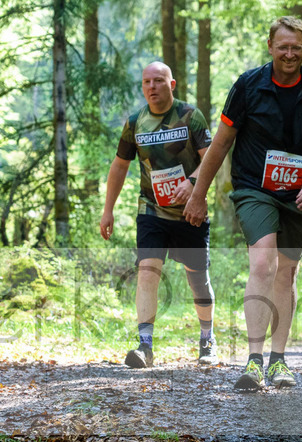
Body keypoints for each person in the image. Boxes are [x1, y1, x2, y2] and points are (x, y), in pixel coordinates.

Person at [183, 16, 302, 390]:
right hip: (255, 187)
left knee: (286, 272)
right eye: (282, 47)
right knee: (264, 261)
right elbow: (220, 143)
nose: (289, 54)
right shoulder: (248, 85)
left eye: (296, 48)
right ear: (270, 47)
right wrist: (198, 194)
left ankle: (278, 361)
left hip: (300, 193)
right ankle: (253, 361)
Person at [100, 61, 217, 369]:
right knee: (148, 269)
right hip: (151, 210)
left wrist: (193, 187)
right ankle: (145, 345)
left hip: (190, 212)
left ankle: (207, 337)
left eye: (158, 81)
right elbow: (120, 166)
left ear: (172, 84)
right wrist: (107, 210)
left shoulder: (191, 117)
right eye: (146, 82)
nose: (151, 87)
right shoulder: (135, 122)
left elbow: (212, 159)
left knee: (198, 280)